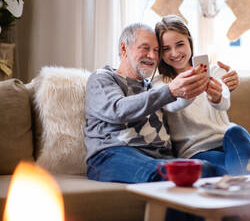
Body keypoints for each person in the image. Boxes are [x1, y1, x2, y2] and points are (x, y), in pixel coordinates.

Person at [84, 23, 219, 183]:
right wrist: (170, 91)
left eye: (156, 51)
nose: (152, 56)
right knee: (167, 174)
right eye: (145, 48)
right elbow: (118, 110)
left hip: (159, 157)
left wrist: (217, 89)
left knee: (205, 169)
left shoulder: (154, 86)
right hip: (113, 154)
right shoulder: (103, 77)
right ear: (124, 48)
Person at [153, 15, 250, 175]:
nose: (174, 53)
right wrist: (190, 88)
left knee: (237, 131)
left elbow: (224, 101)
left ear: (189, 42)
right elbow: (173, 104)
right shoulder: (160, 83)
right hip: (196, 151)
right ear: (160, 52)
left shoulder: (212, 71)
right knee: (239, 170)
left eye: (180, 44)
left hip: (227, 140)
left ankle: (243, 186)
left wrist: (217, 97)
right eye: (166, 49)